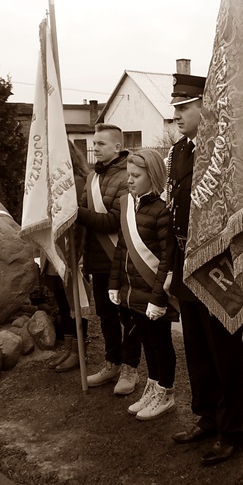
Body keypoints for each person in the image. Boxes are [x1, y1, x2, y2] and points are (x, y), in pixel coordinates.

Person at [166, 73, 243, 466]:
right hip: (187, 264)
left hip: (218, 266)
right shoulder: (178, 152)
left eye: (185, 107)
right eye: (176, 108)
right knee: (197, 350)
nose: (177, 115)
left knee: (224, 354)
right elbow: (174, 215)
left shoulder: (224, 151)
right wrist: (171, 268)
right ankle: (207, 418)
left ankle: (232, 430)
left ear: (206, 106)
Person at [109, 149, 178, 420]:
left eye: (136, 175)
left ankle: (166, 392)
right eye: (128, 175)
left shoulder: (162, 211)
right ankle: (152, 386)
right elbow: (121, 250)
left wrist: (158, 299)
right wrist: (115, 284)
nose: (129, 180)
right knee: (148, 344)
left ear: (153, 176)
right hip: (133, 293)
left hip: (153, 294)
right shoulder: (129, 206)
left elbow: (166, 260)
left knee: (161, 345)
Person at [76, 123, 142, 395]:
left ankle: (130, 367)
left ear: (117, 147)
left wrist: (75, 212)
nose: (95, 148)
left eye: (101, 143)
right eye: (94, 143)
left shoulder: (128, 177)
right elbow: (83, 211)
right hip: (97, 259)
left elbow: (114, 221)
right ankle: (112, 362)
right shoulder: (92, 177)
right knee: (105, 315)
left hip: (120, 259)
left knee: (128, 315)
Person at [44, 140, 90, 372]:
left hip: (71, 251)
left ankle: (79, 350)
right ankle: (70, 347)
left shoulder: (78, 182)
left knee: (74, 300)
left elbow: (79, 222)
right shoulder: (50, 184)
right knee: (62, 300)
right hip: (54, 250)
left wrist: (76, 256)